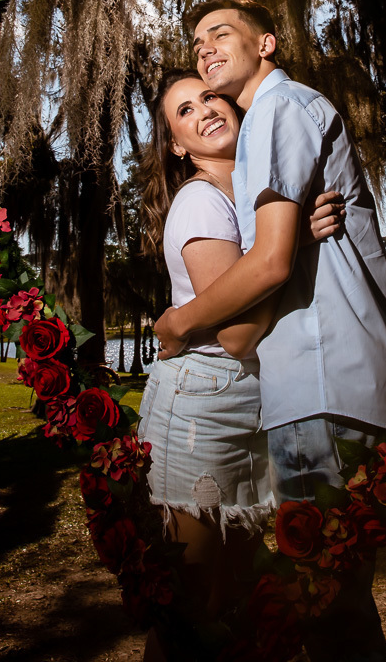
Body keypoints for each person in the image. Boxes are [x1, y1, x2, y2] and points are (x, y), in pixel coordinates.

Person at [154, 0, 386, 661]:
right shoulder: (223, 179)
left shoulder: (276, 109)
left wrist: (180, 321)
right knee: (317, 598)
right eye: (195, 42)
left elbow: (266, 266)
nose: (204, 48)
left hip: (323, 380)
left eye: (220, 33)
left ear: (266, 43)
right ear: (176, 146)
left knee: (325, 599)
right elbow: (273, 262)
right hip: (305, 387)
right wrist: (290, 244)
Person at [137, 68, 343, 648]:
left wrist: (284, 238)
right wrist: (291, 245)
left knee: (243, 595)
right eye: (184, 111)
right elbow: (237, 335)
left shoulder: (256, 191)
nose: (204, 109)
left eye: (209, 96)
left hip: (253, 403)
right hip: (200, 406)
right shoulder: (201, 202)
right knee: (189, 599)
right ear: (177, 145)